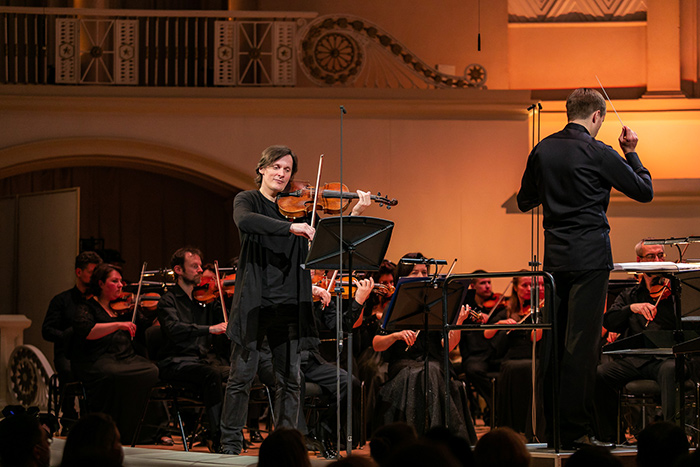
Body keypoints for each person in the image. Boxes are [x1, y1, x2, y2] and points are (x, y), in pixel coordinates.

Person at [517, 88, 654, 449]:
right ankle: (576, 431)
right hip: (590, 258)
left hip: (554, 259)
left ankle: (553, 432)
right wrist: (631, 152)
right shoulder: (598, 151)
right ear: (596, 116)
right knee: (581, 346)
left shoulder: (542, 149)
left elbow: (523, 200)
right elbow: (644, 190)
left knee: (555, 343)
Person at [220, 145, 370, 455]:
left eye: (287, 170)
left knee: (290, 381)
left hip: (290, 305)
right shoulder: (247, 201)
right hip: (255, 304)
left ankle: (287, 446)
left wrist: (353, 214)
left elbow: (332, 245)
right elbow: (246, 222)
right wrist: (291, 227)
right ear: (262, 168)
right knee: (241, 378)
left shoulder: (303, 211)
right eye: (276, 166)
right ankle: (230, 444)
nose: (281, 174)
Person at [372, 253, 475, 442]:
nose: (421, 276)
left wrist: (458, 323)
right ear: (403, 276)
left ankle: (436, 438)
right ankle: (431, 438)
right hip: (403, 365)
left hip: (434, 363)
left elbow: (447, 346)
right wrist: (396, 335)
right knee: (423, 372)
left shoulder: (436, 306)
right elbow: (377, 343)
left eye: (424, 272)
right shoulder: (394, 307)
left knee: (432, 369)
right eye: (415, 272)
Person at [595, 241, 680, 442]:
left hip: (667, 358)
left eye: (661, 255)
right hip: (637, 360)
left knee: (670, 370)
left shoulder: (675, 292)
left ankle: (672, 438)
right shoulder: (630, 294)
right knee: (600, 375)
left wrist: (670, 299)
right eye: (651, 257)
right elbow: (610, 321)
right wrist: (631, 308)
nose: (658, 261)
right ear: (639, 261)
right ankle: (610, 437)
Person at [70, 263, 160, 445]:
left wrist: (160, 314)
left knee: (151, 370)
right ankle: (113, 431)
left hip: (126, 359)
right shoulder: (86, 308)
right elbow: (88, 331)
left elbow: (147, 327)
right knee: (113, 375)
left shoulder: (125, 308)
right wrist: (118, 325)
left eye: (121, 281)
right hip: (98, 360)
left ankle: (146, 431)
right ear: (101, 283)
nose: (120, 285)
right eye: (115, 281)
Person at [155, 247, 229, 451]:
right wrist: (209, 329)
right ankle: (218, 438)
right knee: (211, 375)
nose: (199, 270)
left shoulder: (203, 301)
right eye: (194, 266)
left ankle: (228, 431)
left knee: (239, 375)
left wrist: (224, 295)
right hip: (176, 363)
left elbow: (226, 320)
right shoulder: (167, 301)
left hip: (201, 362)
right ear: (178, 270)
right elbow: (174, 329)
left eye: (200, 265)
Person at [42, 251, 102, 431]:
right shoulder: (62, 300)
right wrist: (70, 335)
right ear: (78, 272)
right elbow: (47, 331)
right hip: (67, 353)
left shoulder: (99, 301)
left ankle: (95, 419)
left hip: (93, 352)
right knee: (69, 372)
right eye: (91, 272)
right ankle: (69, 420)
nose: (94, 277)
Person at [483, 275, 543, 439]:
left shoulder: (539, 310)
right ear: (515, 287)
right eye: (525, 285)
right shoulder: (507, 311)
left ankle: (532, 427)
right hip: (512, 357)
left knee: (534, 367)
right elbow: (487, 334)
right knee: (512, 368)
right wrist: (499, 324)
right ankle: (512, 428)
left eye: (533, 286)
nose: (529, 289)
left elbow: (534, 338)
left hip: (534, 355)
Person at [458, 271, 507, 424]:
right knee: (473, 369)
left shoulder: (498, 307)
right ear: (473, 286)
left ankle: (496, 411)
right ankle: (497, 407)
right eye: (482, 283)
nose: (487, 286)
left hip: (493, 353)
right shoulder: (466, 307)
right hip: (474, 355)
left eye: (489, 282)